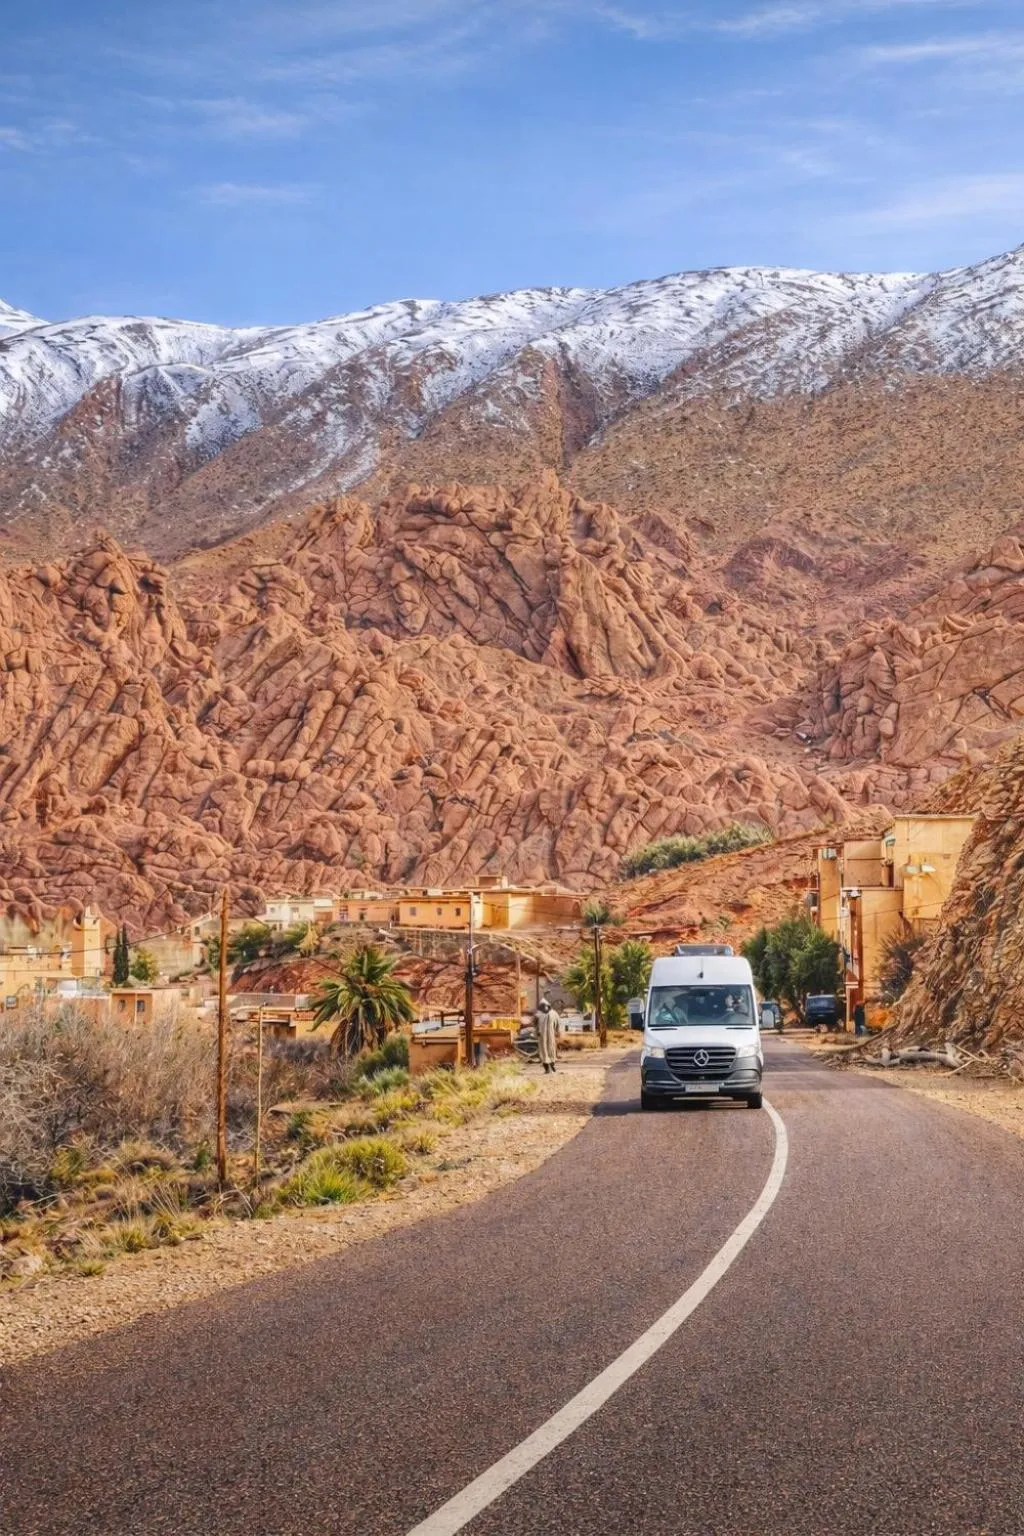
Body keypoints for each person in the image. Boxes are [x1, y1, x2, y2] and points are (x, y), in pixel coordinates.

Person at [536, 997, 561, 1073]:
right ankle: (549, 1067)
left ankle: (550, 1067)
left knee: (547, 1050)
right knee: (547, 1051)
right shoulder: (540, 1015)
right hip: (546, 1036)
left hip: (547, 1036)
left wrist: (558, 1031)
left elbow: (558, 1023)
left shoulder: (552, 1013)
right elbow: (536, 1025)